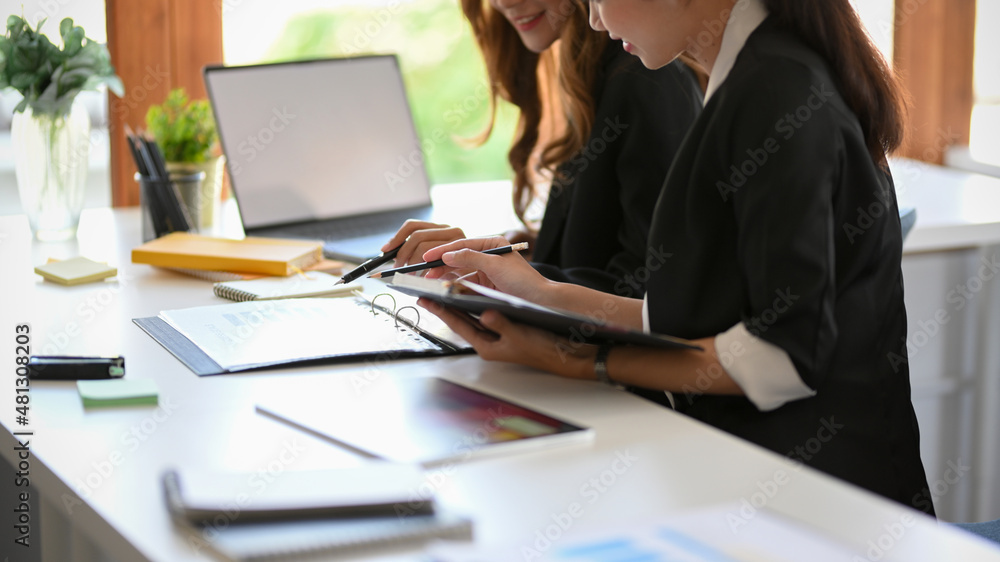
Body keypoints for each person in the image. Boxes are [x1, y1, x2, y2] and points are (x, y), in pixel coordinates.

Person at [413, 0, 936, 516]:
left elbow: (777, 360)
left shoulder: (774, 92)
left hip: (824, 508)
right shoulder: (755, 74)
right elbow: (705, 317)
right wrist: (540, 292)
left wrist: (573, 361)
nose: (593, 19)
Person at [381, 0, 703, 298]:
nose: (504, 3)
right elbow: (599, 250)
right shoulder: (593, 75)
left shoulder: (643, 76)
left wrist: (489, 275)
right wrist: (497, 257)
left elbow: (647, 290)